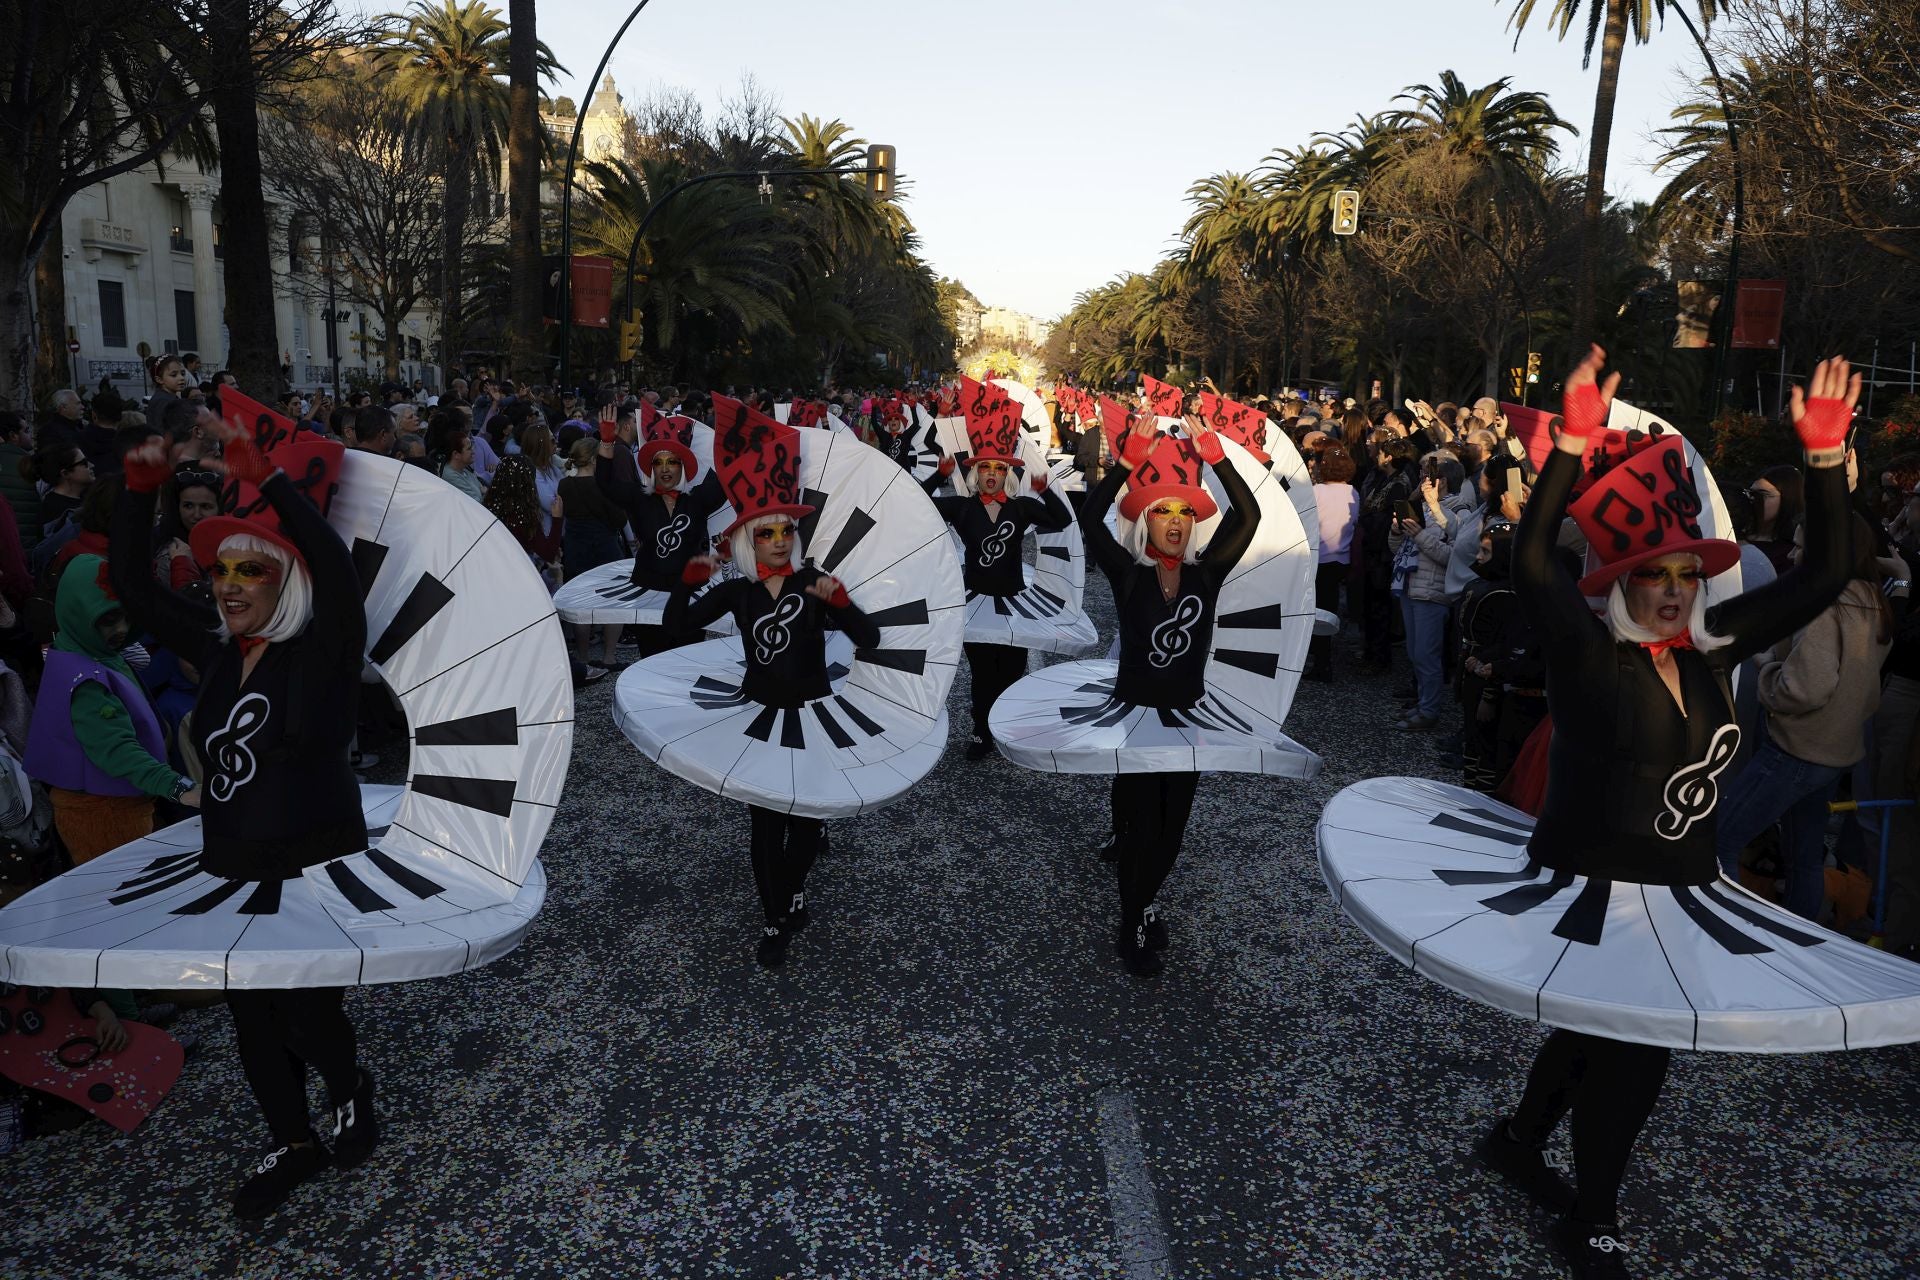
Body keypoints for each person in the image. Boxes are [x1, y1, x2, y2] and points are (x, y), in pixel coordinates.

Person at [110, 416, 378, 1220]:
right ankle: (293, 1140)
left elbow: (332, 570)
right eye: (220, 567)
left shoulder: (323, 644)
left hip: (312, 855)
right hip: (230, 854)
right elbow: (130, 582)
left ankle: (349, 1086)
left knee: (307, 1006)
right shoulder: (217, 647)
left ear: (283, 583)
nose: (227, 582)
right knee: (251, 1015)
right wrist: (138, 490)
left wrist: (274, 485)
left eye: (249, 569)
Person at [664, 463, 881, 971]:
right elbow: (676, 627)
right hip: (759, 716)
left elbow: (869, 639)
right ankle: (775, 918)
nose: (780, 541)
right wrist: (686, 584)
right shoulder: (737, 593)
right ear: (747, 542)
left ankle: (791, 892)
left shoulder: (813, 582)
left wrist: (844, 607)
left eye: (788, 531)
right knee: (764, 821)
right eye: (767, 533)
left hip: (811, 714)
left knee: (807, 819)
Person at [1079, 412, 1256, 976]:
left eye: (1184, 512)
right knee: (1138, 825)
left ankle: (1144, 899)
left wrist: (1216, 455)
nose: (1175, 522)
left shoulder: (1209, 575)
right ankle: (1131, 922)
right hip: (1134, 716)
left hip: (1187, 719)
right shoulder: (1127, 576)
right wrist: (1127, 462)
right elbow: (1088, 518)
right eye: (1163, 512)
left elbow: (1247, 515)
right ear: (1146, 523)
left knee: (1172, 829)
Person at [1714, 514, 1896, 918]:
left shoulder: (1824, 605)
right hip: (1835, 751)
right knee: (1805, 859)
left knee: (1720, 841)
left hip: (1795, 750)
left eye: (1802, 548)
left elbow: (1806, 688)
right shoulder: (1870, 597)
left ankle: (1723, 936)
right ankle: (1799, 944)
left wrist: (1766, 668)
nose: (1792, 555)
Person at [926, 382, 1072, 759]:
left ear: (1007, 471)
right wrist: (940, 476)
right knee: (981, 673)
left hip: (1012, 600)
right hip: (974, 601)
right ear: (976, 472)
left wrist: (1047, 489)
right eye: (985, 467)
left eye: (998, 467)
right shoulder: (960, 507)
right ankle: (980, 731)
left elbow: (1059, 520)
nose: (991, 473)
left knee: (1011, 670)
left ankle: (1004, 727)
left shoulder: (1022, 506)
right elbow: (918, 505)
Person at [594, 404, 728, 654]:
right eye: (659, 462)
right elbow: (605, 483)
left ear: (682, 466)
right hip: (648, 593)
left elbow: (728, 477)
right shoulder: (639, 498)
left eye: (672, 462)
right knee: (651, 658)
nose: (665, 468)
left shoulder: (699, 499)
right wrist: (606, 443)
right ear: (652, 468)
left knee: (686, 659)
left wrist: (729, 437)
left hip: (690, 595)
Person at [556, 437, 628, 671]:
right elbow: (619, 518)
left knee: (581, 604)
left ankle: (584, 656)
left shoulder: (564, 485)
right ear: (595, 458)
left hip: (576, 546)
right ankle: (609, 656)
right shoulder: (603, 485)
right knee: (614, 601)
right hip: (605, 545)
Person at [1308, 443, 1358, 681]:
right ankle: (1324, 659)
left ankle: (1320, 662)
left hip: (1319, 557)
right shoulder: (1353, 492)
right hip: (1341, 557)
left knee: (1314, 611)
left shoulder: (1317, 491)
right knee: (1329, 608)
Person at [31, 444, 93, 537]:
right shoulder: (53, 512)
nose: (91, 465)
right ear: (65, 473)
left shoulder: (87, 497)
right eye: (84, 463)